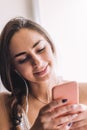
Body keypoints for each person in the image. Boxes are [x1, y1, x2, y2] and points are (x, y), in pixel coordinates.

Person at [0, 17, 87, 130]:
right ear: (13, 67)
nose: (37, 62)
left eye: (40, 49)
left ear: (50, 45)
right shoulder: (5, 105)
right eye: (23, 59)